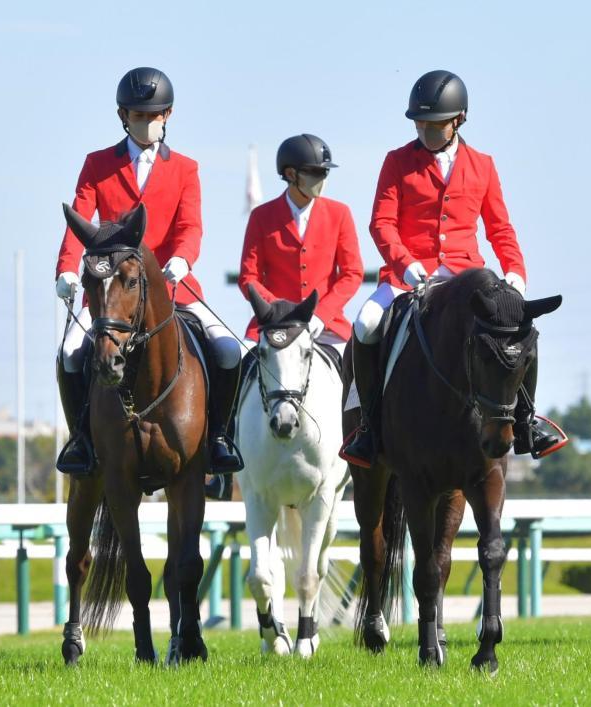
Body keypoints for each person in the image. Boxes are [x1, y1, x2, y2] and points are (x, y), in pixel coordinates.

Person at [341, 70, 564, 467]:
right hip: (408, 276)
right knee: (365, 324)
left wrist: (515, 271)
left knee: (522, 328)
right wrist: (405, 264)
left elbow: (499, 226)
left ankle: (528, 421)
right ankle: (370, 427)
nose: (425, 131)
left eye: (434, 125)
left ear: (458, 120)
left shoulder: (483, 165)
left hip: (467, 277)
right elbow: (381, 223)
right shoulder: (397, 162)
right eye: (420, 124)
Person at [54, 66, 243, 482]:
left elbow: (191, 226)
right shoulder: (97, 164)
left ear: (168, 115)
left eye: (153, 115)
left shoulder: (186, 168)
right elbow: (79, 220)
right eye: (138, 116)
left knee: (231, 351)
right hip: (113, 294)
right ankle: (80, 440)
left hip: (175, 287)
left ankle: (219, 439)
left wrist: (183, 258)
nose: (146, 123)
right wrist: (67, 269)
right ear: (124, 116)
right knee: (69, 354)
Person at [239, 134, 364, 357]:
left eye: (325, 172)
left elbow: (352, 274)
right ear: (290, 174)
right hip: (272, 324)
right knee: (238, 361)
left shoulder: (340, 213)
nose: (322, 178)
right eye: (314, 173)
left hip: (327, 327)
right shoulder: (261, 216)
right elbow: (249, 278)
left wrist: (321, 315)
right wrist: (276, 310)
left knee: (357, 378)